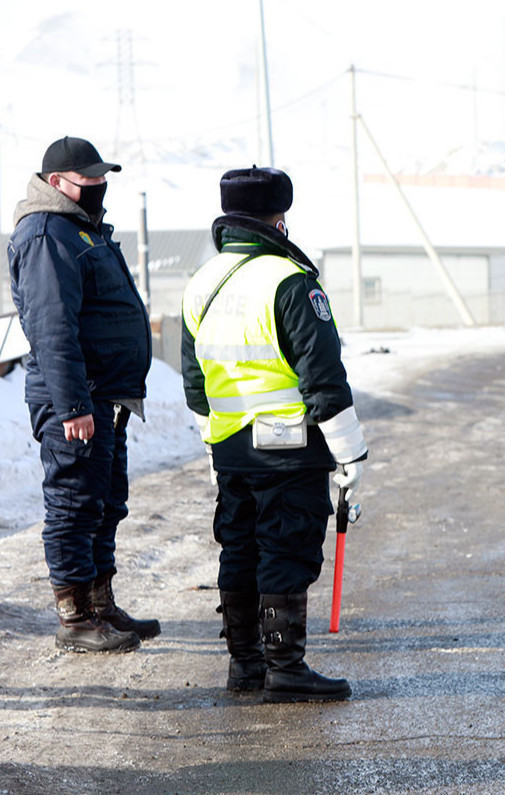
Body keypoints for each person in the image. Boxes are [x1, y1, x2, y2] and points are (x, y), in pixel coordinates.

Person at [181, 166, 367, 703]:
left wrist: (211, 436)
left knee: (238, 548)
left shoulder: (202, 282)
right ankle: (286, 669)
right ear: (278, 218)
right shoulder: (290, 281)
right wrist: (350, 453)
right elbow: (324, 378)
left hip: (231, 447)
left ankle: (246, 667)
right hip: (288, 449)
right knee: (284, 550)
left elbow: (195, 380)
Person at [7, 136, 159, 654]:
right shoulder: (48, 232)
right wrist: (72, 404)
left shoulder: (80, 230)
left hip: (103, 396)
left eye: (102, 178)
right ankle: (74, 617)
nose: (98, 186)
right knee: (74, 504)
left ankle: (100, 603)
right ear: (56, 183)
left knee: (104, 503)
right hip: (75, 398)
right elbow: (52, 326)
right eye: (87, 180)